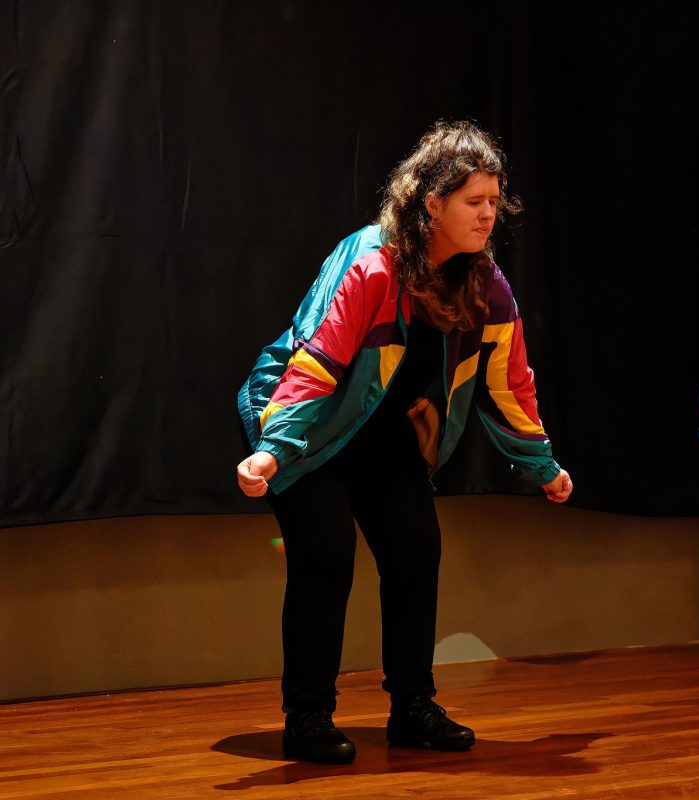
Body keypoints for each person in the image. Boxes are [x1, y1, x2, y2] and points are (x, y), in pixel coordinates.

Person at [235, 120, 572, 764]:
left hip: (381, 434)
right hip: (304, 421)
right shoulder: (372, 263)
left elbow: (508, 383)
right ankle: (308, 716)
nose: (488, 215)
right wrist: (275, 446)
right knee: (326, 556)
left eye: (495, 202)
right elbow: (318, 360)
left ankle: (413, 707)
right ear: (432, 203)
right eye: (474, 202)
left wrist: (541, 464)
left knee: (416, 552)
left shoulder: (485, 285)